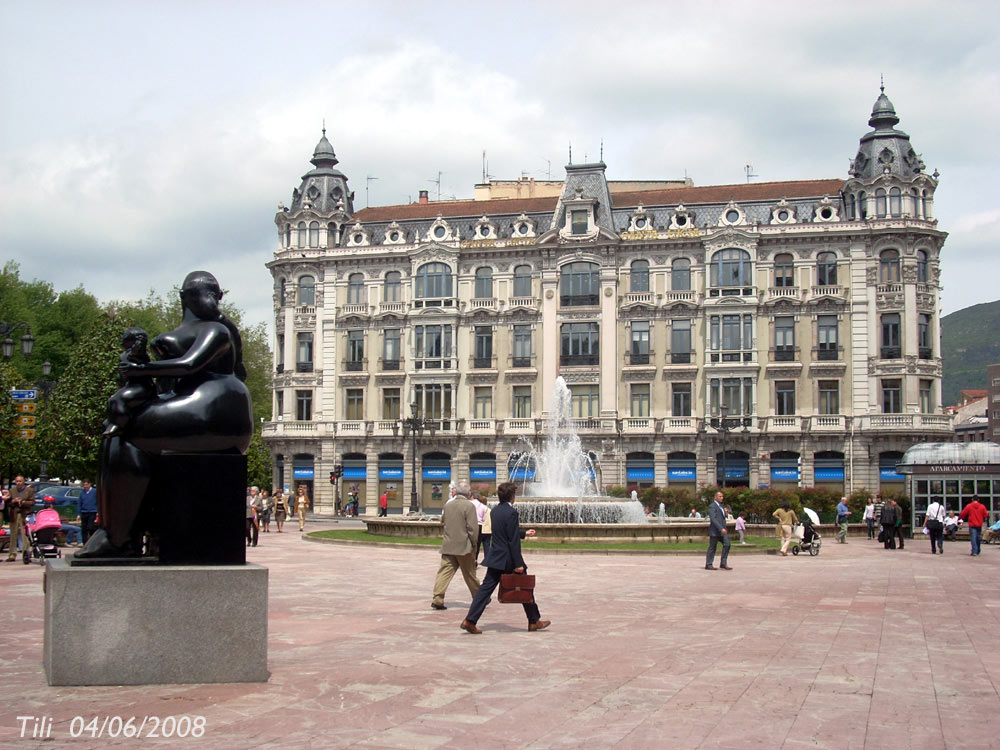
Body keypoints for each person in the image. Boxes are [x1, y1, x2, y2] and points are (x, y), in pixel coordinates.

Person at [78, 270, 253, 559]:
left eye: (213, 293)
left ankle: (119, 537)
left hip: (218, 407)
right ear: (184, 297)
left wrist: (141, 370)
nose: (209, 299)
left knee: (131, 432)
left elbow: (188, 365)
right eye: (202, 293)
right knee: (117, 435)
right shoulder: (196, 329)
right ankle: (124, 531)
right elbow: (170, 380)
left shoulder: (216, 331)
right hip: (191, 401)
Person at [461, 481, 549, 634]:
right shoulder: (512, 513)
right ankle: (534, 621)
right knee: (525, 587)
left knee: (485, 590)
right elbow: (512, 540)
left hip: (496, 557)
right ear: (512, 496)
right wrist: (518, 563)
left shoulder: (495, 511)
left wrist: (523, 533)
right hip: (508, 559)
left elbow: (505, 532)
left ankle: (470, 620)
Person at [431, 481, 481, 610]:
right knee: (470, 574)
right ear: (468, 493)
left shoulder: (448, 505)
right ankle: (480, 597)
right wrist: (474, 544)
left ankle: (437, 598)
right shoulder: (468, 506)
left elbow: (444, 522)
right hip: (464, 546)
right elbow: (472, 528)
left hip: (448, 545)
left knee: (444, 572)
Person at [104, 326, 156, 436]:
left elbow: (137, 352)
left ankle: (119, 424)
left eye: (125, 338)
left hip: (141, 387)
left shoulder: (136, 354)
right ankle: (114, 420)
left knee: (117, 400)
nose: (122, 340)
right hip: (129, 385)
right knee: (111, 401)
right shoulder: (124, 354)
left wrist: (140, 343)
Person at [5, 475, 35, 562]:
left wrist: (23, 502)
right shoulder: (12, 490)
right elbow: (8, 503)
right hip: (14, 514)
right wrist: (13, 501)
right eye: (17, 481)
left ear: (23, 482)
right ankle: (12, 554)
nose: (18, 483)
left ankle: (26, 554)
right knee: (13, 535)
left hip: (24, 514)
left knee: (25, 535)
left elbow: (32, 502)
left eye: (20, 481)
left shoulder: (29, 490)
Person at [705, 490, 732, 570]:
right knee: (712, 547)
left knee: (727, 544)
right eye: (720, 496)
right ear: (715, 497)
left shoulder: (721, 506)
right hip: (715, 530)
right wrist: (720, 528)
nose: (722, 498)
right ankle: (709, 564)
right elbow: (713, 519)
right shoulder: (712, 506)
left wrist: (726, 514)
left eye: (722, 496)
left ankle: (723, 563)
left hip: (722, 531)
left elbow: (722, 517)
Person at [78, 478, 98, 544]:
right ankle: (85, 543)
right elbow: (79, 503)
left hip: (92, 512)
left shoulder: (94, 492)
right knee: (84, 529)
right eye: (84, 485)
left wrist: (98, 511)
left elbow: (98, 501)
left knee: (90, 527)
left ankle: (92, 541)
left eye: (86, 485)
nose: (85, 486)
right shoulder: (82, 493)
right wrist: (78, 514)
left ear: (90, 484)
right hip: (84, 512)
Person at [470, 490, 488, 559]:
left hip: (470, 524)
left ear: (472, 497)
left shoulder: (469, 503)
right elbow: (484, 518)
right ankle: (475, 559)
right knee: (477, 543)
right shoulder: (483, 506)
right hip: (479, 525)